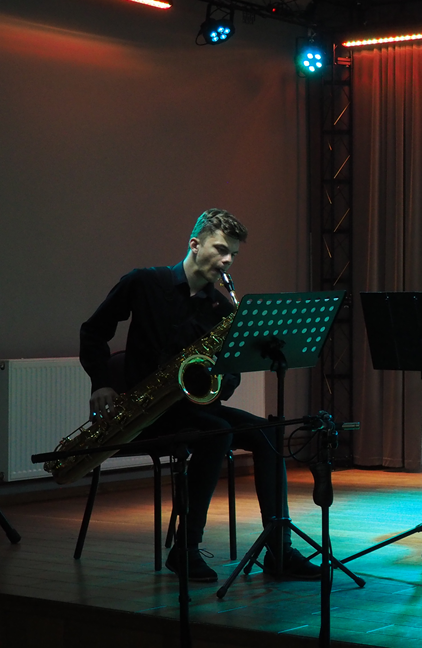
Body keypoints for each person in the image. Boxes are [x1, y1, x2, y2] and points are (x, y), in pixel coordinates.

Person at [80, 209, 320, 583]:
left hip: (194, 410)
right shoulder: (144, 282)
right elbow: (93, 331)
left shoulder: (221, 308)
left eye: (233, 254)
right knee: (216, 434)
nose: (227, 261)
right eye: (221, 249)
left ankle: (279, 549)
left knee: (269, 433)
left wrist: (221, 380)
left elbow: (231, 375)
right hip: (146, 413)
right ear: (195, 244)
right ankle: (186, 549)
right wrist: (101, 383)